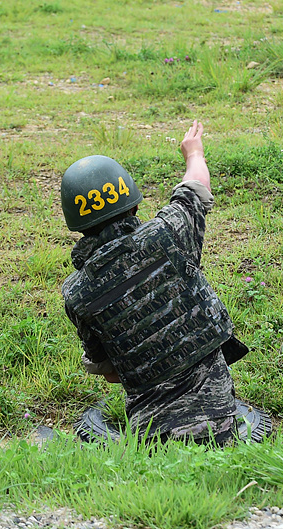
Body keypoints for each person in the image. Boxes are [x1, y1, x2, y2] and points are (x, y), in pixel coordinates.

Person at [60, 120, 245, 445]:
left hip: (149, 438)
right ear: (132, 202)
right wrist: (194, 152)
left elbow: (111, 372)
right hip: (218, 424)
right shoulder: (167, 233)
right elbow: (195, 187)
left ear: (76, 225)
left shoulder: (76, 293)